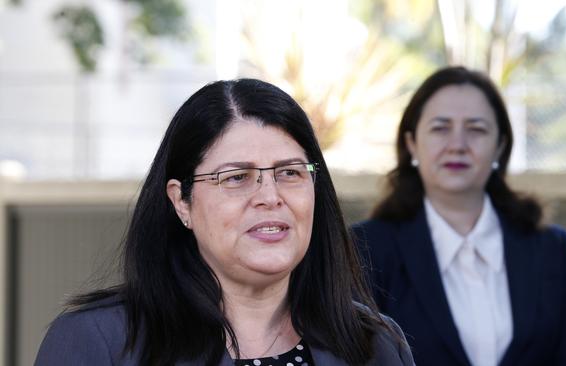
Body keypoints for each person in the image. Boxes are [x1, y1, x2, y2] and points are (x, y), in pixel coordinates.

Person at [35, 79, 415, 366]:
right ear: (181, 201)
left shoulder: (376, 345)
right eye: (236, 177)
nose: (269, 196)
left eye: (290, 173)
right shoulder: (98, 342)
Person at [352, 66, 566, 366]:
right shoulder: (365, 247)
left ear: (500, 147)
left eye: (476, 129)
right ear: (412, 143)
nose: (458, 145)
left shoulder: (550, 247)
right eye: (440, 128)